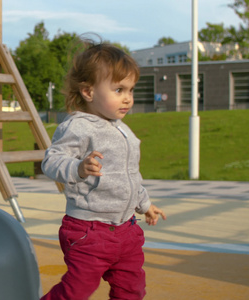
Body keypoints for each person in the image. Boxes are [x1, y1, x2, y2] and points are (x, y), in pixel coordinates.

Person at [40, 39, 166, 300]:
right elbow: (51, 161)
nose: (128, 98)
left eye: (131, 90)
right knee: (77, 290)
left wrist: (145, 204)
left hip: (126, 230)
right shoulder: (78, 126)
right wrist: (78, 167)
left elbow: (129, 175)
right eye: (119, 89)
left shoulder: (122, 129)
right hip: (89, 231)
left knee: (131, 290)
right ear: (88, 92)